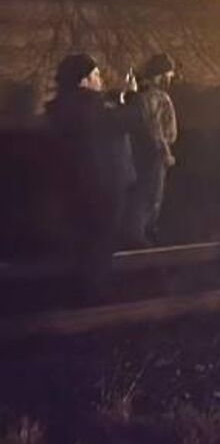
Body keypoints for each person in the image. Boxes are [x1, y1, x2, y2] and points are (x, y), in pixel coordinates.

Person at [45, 54, 140, 297]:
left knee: (82, 240)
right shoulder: (92, 106)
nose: (100, 80)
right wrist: (132, 95)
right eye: (96, 75)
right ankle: (95, 296)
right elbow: (133, 119)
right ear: (84, 80)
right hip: (105, 186)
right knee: (102, 242)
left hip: (74, 184)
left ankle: (79, 290)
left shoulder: (59, 109)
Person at [124, 52, 178, 247]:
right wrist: (165, 153)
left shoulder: (137, 96)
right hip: (154, 158)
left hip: (137, 157)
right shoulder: (159, 98)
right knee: (151, 201)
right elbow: (157, 129)